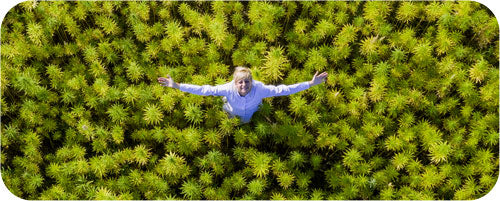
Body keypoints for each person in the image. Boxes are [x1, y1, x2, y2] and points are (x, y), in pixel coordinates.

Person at [157, 66, 328, 124]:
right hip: (230, 113)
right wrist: (177, 86)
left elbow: (284, 90)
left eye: (246, 81)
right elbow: (204, 89)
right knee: (231, 122)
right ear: (235, 82)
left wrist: (311, 84)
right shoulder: (227, 88)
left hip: (250, 115)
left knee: (246, 122)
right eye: (240, 82)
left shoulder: (259, 88)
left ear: (251, 81)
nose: (244, 85)